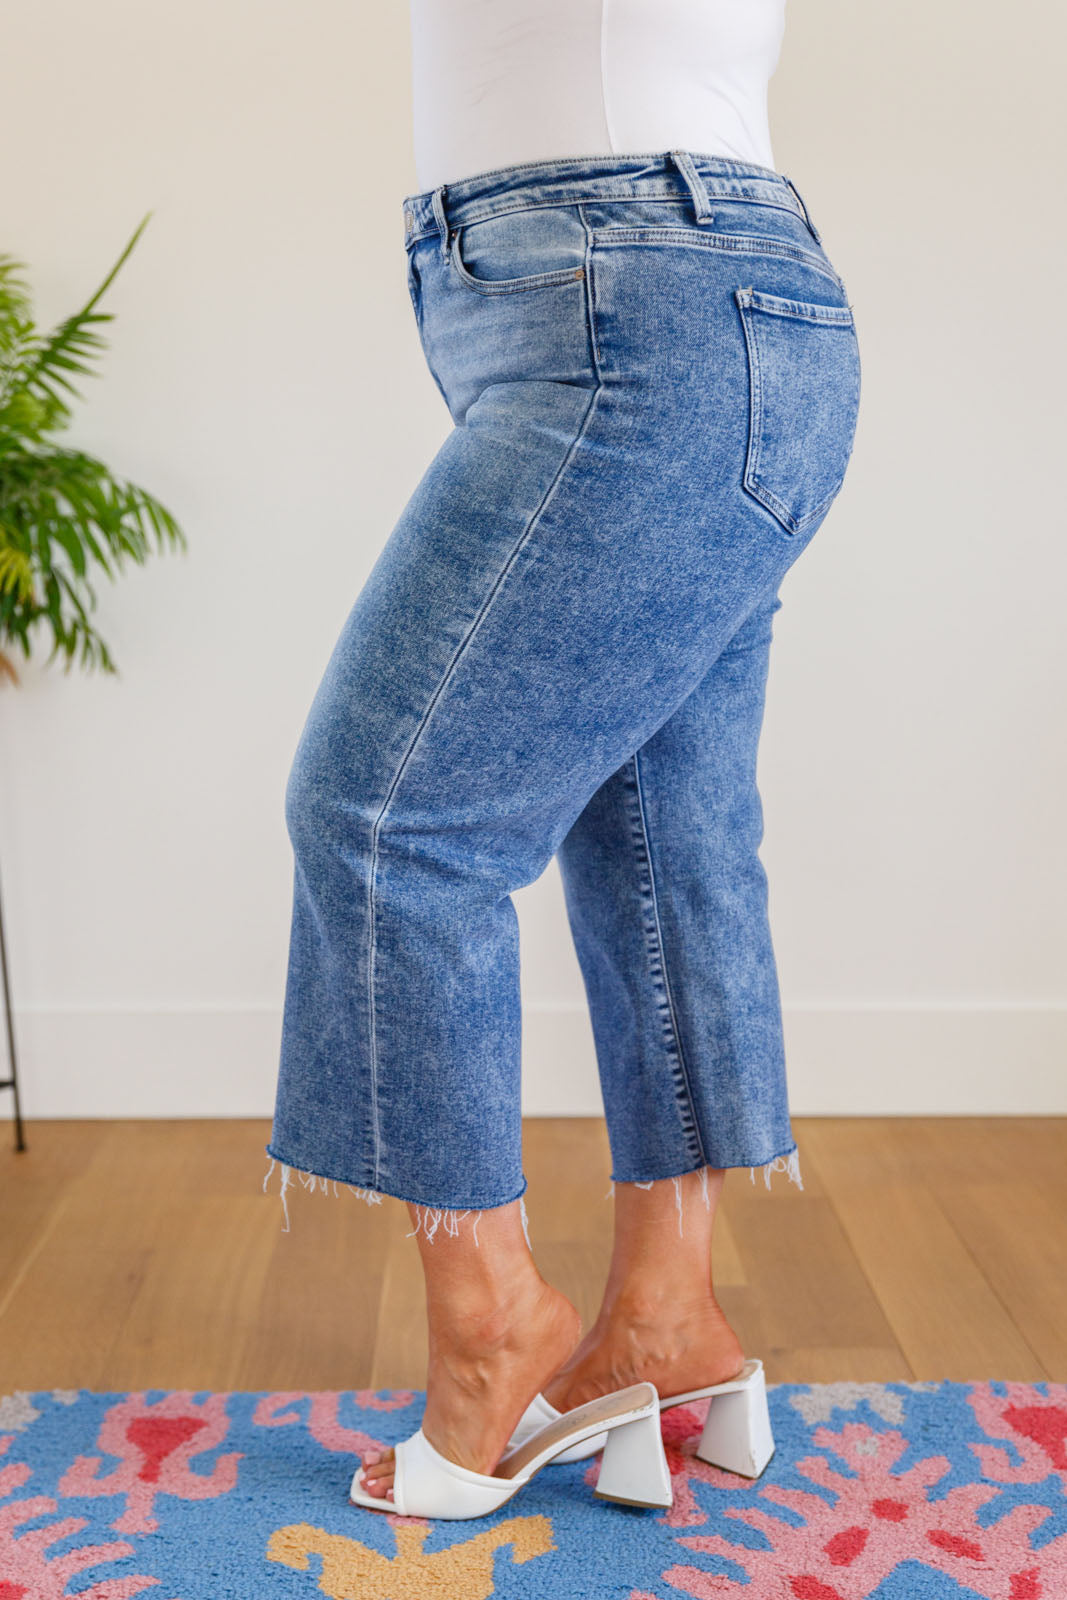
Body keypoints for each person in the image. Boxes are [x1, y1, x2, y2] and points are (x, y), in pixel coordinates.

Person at [262, 0, 861, 1513]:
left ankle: (490, 1327)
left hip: (629, 295)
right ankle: (668, 1317)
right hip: (705, 295)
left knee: (388, 822)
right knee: (663, 833)